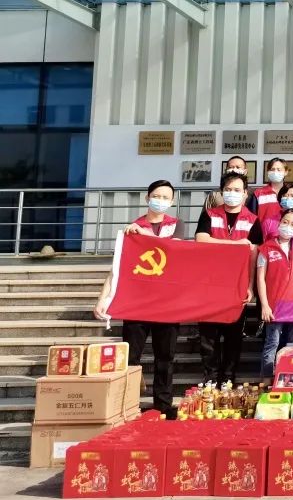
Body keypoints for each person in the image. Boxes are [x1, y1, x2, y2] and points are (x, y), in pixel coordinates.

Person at [92, 180, 184, 419]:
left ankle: (163, 404)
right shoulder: (132, 229)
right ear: (147, 198)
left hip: (167, 303)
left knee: (165, 357)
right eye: (156, 196)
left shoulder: (176, 225)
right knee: (131, 357)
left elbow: (176, 251)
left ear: (172, 201)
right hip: (138, 303)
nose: (160, 201)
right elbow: (117, 268)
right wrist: (103, 298)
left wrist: (146, 236)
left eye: (165, 197)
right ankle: (127, 404)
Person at [194, 172, 261, 386]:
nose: (232, 193)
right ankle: (210, 378)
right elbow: (201, 239)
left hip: (237, 286)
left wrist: (250, 286)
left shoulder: (253, 220)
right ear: (222, 192)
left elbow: (254, 255)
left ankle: (228, 379)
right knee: (208, 336)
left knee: (233, 336)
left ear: (245, 194)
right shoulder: (210, 214)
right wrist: (237, 244)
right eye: (228, 190)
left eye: (237, 190)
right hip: (209, 284)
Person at [257, 208, 293, 385]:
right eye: (285, 222)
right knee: (272, 343)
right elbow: (260, 278)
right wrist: (264, 305)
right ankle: (266, 382)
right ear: (279, 223)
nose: (288, 226)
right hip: (274, 306)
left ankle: (291, 380)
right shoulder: (266, 248)